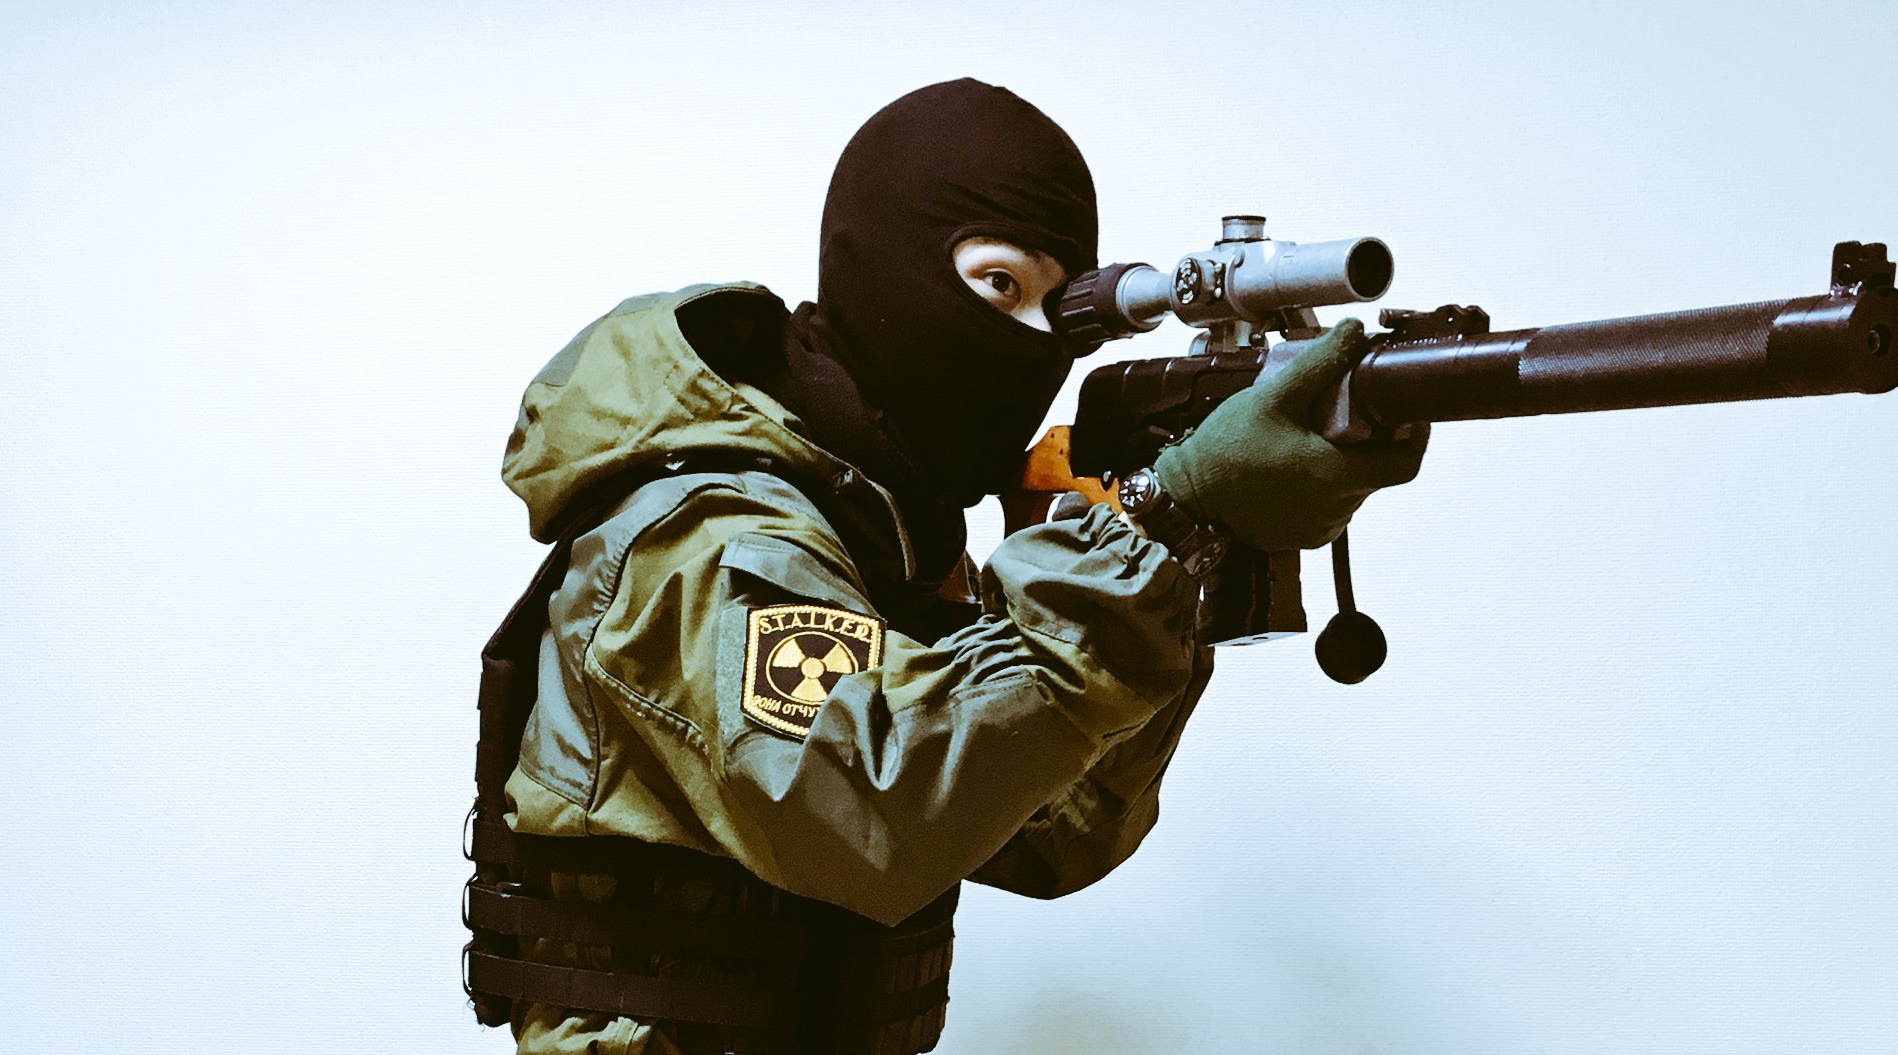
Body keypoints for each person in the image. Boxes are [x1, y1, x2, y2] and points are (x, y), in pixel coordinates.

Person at [464, 78, 1428, 1055]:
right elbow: (870, 810)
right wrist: (1162, 517)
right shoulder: (714, 533)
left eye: (1057, 309)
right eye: (998, 285)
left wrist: (1169, 564)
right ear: (881, 261)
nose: (1024, 343)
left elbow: (1050, 832)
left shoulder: (884, 537)